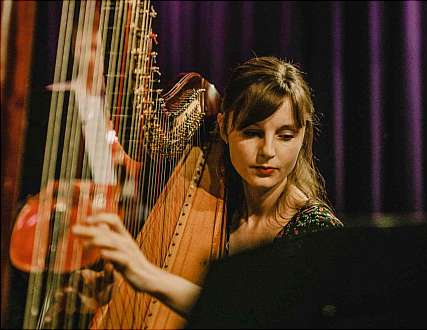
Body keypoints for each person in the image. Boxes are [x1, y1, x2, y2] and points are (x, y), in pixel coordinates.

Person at [71, 56, 343, 319]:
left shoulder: (316, 232)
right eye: (252, 133)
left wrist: (146, 274)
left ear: (303, 135)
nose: (268, 151)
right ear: (223, 128)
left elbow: (257, 317)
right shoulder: (223, 206)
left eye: (285, 136)